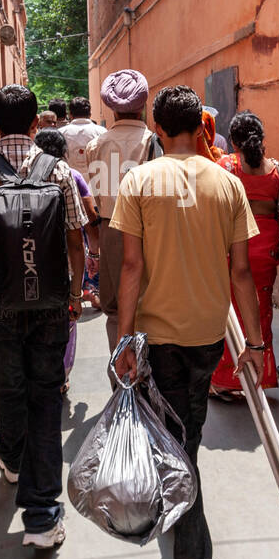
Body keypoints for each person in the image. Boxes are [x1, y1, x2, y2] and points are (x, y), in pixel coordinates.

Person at [112, 84, 263, 559]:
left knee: (180, 456)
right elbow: (241, 272)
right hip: (206, 338)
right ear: (201, 127)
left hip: (158, 338)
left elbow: (131, 268)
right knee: (183, 442)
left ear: (156, 128)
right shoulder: (227, 183)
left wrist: (123, 339)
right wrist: (257, 342)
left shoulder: (138, 181)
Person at [0, 84, 87, 549]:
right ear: (35, 125)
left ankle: (11, 456)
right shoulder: (61, 173)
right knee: (46, 399)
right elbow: (75, 242)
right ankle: (43, 516)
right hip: (50, 299)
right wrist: (74, 295)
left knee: (9, 386)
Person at [210, 111, 279, 399]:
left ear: (232, 140)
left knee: (233, 311)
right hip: (266, 248)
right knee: (261, 310)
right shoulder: (277, 171)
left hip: (236, 247)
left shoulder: (225, 166)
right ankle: (261, 377)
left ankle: (228, 380)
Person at [85, 69, 160, 350]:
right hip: (149, 229)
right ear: (143, 106)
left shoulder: (97, 145)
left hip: (112, 229)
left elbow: (95, 192)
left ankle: (121, 377)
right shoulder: (154, 141)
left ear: (111, 108)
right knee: (149, 303)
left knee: (116, 307)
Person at [35, 127, 101, 389]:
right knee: (66, 318)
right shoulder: (71, 175)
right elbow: (89, 215)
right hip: (64, 261)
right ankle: (60, 376)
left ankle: (38, 374)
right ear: (64, 153)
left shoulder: (21, 175)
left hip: (30, 258)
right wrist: (93, 251)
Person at [60, 96, 106, 178]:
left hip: (69, 185)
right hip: (96, 186)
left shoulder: (61, 133)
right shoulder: (102, 132)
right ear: (90, 114)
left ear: (70, 114)